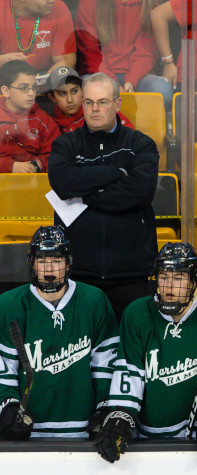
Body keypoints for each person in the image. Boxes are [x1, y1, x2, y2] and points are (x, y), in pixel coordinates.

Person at [94, 243, 197, 463]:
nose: (169, 286)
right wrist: (121, 413)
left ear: (193, 280)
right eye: (163, 277)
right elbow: (129, 373)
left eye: (179, 278)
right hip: (143, 438)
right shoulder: (137, 314)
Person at [47, 72, 159, 318]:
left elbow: (140, 192)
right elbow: (63, 185)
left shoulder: (141, 144)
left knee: (133, 348)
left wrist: (83, 195)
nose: (94, 109)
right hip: (78, 274)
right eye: (89, 102)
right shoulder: (65, 144)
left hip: (131, 273)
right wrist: (115, 172)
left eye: (102, 102)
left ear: (117, 104)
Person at [0, 226, 118, 439]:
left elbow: (106, 365)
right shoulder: (9, 305)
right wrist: (9, 407)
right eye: (42, 261)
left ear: (68, 262)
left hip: (83, 433)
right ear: (32, 263)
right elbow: (4, 370)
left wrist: (105, 407)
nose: (49, 270)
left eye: (56, 260)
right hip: (28, 435)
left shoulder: (94, 301)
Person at [76, 0, 174, 105]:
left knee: (162, 89)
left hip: (137, 77)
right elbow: (91, 54)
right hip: (98, 75)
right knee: (82, 91)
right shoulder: (89, 3)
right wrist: (113, 85)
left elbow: (146, 53)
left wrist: (131, 81)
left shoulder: (151, 6)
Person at [0, 60, 60, 173]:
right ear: (6, 91)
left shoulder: (43, 119)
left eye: (34, 87)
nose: (31, 93)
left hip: (34, 181)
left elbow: (56, 155)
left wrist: (37, 165)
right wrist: (10, 166)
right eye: (23, 88)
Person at [45, 66, 134, 134]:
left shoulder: (102, 112)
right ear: (52, 98)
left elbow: (129, 141)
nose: (70, 99)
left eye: (75, 91)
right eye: (62, 94)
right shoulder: (50, 124)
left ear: (82, 91)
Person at [0, 0, 76, 73]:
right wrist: (3, 60)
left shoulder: (58, 7)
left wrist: (54, 76)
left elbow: (66, 59)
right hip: (5, 75)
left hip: (44, 74)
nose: (52, 1)